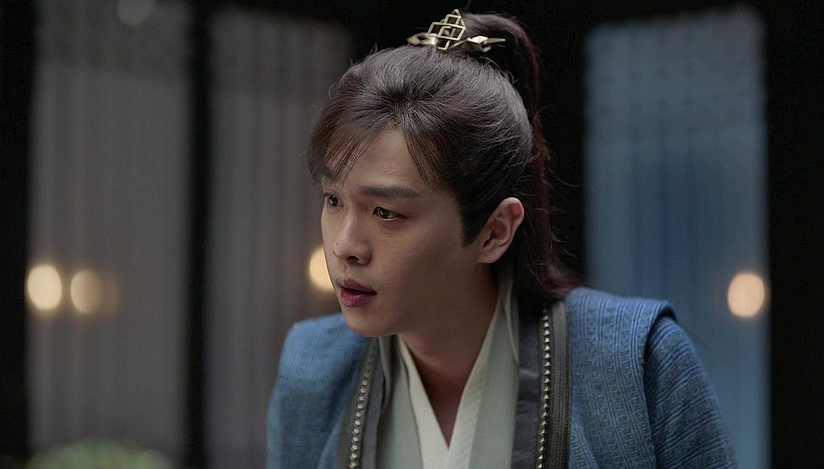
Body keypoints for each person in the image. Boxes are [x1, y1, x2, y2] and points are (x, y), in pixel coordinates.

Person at [267, 9, 736, 469]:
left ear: (494, 231)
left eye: (386, 212)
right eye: (333, 200)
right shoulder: (313, 368)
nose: (345, 246)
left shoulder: (635, 361)